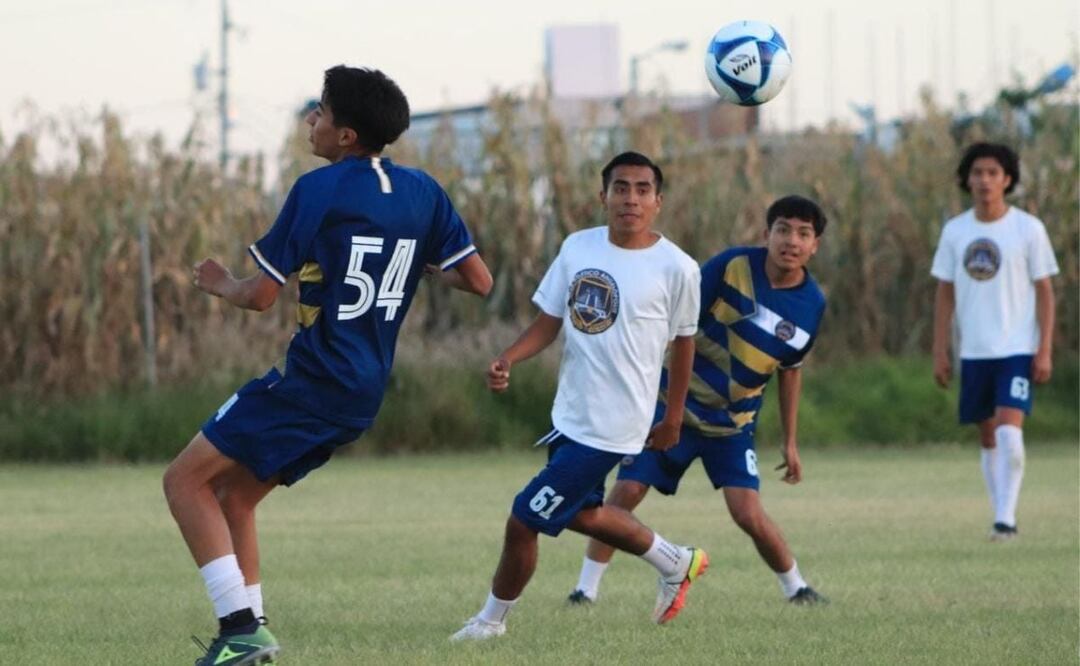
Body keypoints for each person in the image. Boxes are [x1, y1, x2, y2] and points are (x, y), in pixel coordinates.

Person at [163, 65, 493, 665]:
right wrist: (411, 258)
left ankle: (238, 628)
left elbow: (260, 295)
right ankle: (253, 631)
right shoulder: (424, 191)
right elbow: (478, 280)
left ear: (345, 135)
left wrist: (219, 283)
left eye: (320, 110)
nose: (312, 120)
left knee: (182, 482)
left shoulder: (318, 190)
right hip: (363, 392)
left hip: (313, 379)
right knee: (235, 497)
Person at [451, 151, 707, 641]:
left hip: (617, 424)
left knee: (524, 518)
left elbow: (684, 343)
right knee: (582, 513)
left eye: (642, 189)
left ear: (658, 200)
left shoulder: (678, 267)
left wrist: (673, 417)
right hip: (571, 413)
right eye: (621, 187)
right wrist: (509, 357)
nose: (630, 198)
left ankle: (490, 622)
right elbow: (550, 322)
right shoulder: (577, 247)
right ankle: (676, 561)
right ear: (603, 195)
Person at [567, 195, 829, 607]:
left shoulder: (812, 304)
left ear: (814, 245)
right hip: (673, 409)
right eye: (782, 229)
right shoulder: (731, 267)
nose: (791, 241)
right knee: (628, 490)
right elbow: (677, 324)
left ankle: (797, 588)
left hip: (732, 426)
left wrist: (790, 441)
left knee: (747, 513)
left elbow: (790, 369)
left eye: (803, 234)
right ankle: (585, 590)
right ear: (766, 234)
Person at [931, 142, 1058, 541]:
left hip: (1017, 348)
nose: (984, 180)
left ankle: (1006, 519)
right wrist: (940, 350)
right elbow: (944, 293)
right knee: (987, 435)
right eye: (977, 173)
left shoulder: (1028, 229)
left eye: (993, 173)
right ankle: (999, 512)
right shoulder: (956, 230)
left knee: (1008, 431)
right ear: (967, 180)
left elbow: (1045, 291)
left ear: (1007, 180)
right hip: (974, 350)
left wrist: (1044, 348)